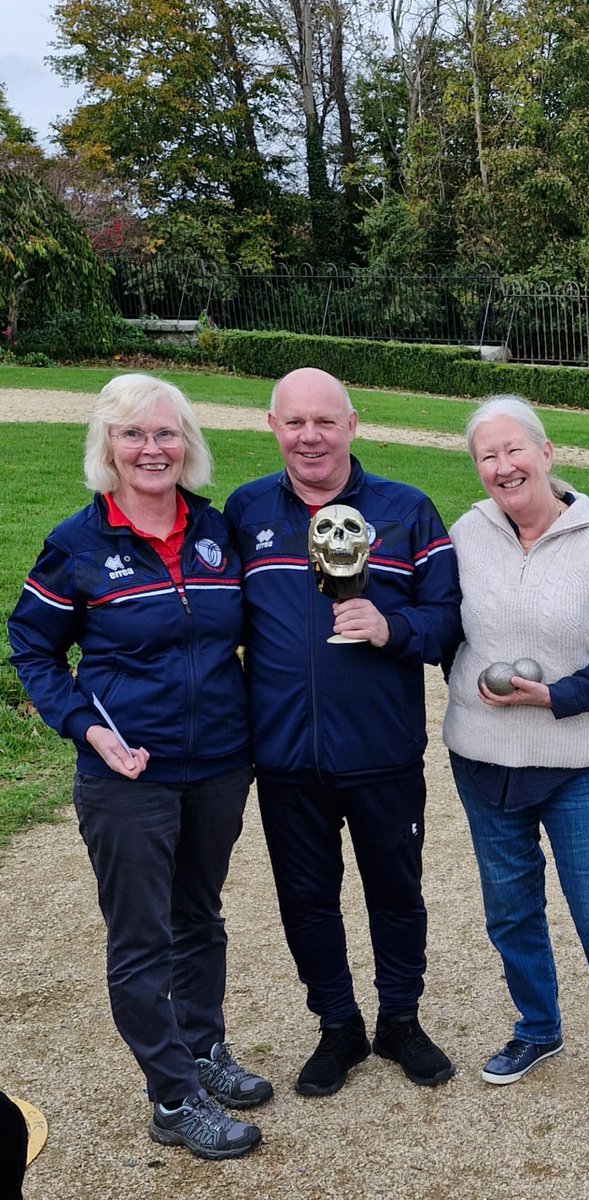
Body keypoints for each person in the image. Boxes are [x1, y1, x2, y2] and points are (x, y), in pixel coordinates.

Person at [8, 374, 270, 1161]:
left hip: (221, 763)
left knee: (201, 916)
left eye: (166, 433)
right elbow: (33, 649)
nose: (152, 449)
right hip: (130, 776)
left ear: (188, 444)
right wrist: (89, 730)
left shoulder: (219, 532)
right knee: (141, 937)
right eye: (134, 435)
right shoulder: (77, 545)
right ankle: (171, 1097)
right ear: (108, 448)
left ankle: (201, 1048)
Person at [224, 366, 462, 1096]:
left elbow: (451, 618)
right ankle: (338, 1027)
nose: (310, 435)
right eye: (294, 421)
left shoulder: (407, 509)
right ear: (274, 428)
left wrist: (393, 626)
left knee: (396, 891)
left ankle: (400, 1020)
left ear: (352, 424)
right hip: (287, 756)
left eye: (325, 420)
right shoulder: (244, 513)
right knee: (306, 900)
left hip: (382, 752)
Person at [443, 395, 589, 1125]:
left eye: (514, 450)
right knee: (510, 913)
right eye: (487, 455)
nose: (502, 466)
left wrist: (555, 696)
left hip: (580, 765)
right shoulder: (466, 535)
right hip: (482, 757)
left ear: (546, 453)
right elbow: (445, 626)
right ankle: (538, 1029)